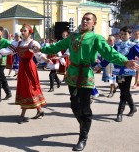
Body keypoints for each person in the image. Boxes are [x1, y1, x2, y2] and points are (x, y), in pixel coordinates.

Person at [39, 13, 139, 151]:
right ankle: (84, 125)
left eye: (88, 19)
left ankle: (83, 138)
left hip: (86, 74)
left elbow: (109, 52)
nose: (85, 21)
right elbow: (55, 47)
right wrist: (40, 48)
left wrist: (125, 61)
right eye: (83, 19)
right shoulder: (73, 36)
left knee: (85, 107)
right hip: (73, 73)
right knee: (74, 104)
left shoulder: (96, 38)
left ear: (94, 23)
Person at [0, 24, 47, 123]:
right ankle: (39, 110)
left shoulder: (33, 43)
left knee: (31, 88)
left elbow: (39, 53)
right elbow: (8, 51)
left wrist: (45, 58)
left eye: (24, 30)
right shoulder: (18, 43)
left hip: (30, 67)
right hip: (22, 68)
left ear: (30, 32)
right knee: (24, 88)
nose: (22, 32)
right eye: (22, 30)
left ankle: (22, 114)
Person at [98, 26, 138, 122]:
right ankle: (133, 107)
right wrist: (100, 65)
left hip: (128, 72)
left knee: (123, 92)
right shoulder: (117, 45)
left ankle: (119, 113)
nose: (123, 36)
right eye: (121, 34)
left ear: (130, 35)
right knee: (125, 92)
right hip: (118, 71)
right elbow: (110, 56)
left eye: (125, 34)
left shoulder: (133, 45)